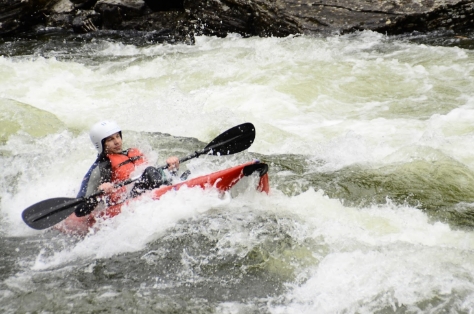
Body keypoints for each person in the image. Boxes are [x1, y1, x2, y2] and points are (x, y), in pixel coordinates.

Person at [75, 120, 181, 217]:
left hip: (147, 189)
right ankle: (171, 191)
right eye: (110, 139)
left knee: (155, 171)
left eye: (117, 136)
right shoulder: (100, 168)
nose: (117, 142)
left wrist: (171, 167)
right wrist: (99, 192)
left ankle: (173, 185)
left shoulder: (133, 152)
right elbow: (79, 209)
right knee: (150, 171)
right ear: (101, 144)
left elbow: (157, 173)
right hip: (125, 202)